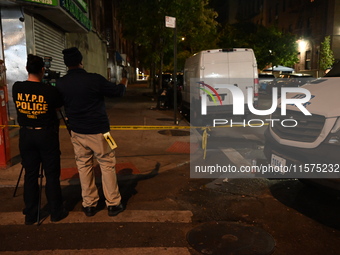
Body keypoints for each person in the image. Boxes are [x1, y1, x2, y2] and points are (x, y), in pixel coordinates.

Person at [56, 47, 125, 217]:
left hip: (77, 132)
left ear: (66, 64)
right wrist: (124, 81)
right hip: (101, 132)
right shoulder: (94, 79)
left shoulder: (61, 83)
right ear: (81, 61)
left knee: (84, 166)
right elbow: (117, 92)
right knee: (107, 165)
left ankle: (89, 204)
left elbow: (57, 105)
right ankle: (113, 204)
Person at [12, 54, 68, 225]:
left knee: (30, 175)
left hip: (26, 135)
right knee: (51, 175)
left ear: (27, 69)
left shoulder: (17, 87)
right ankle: (56, 212)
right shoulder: (49, 91)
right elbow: (58, 106)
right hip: (46, 135)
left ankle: (30, 214)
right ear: (43, 70)